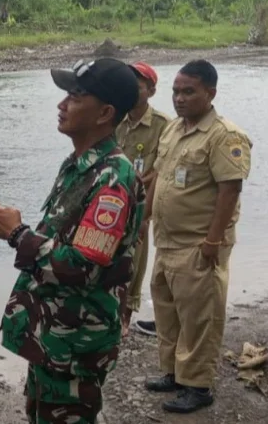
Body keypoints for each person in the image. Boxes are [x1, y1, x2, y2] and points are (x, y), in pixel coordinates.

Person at [0, 58, 145, 423]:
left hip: (76, 342)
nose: (62, 105)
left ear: (105, 113)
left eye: (75, 96)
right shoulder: (79, 165)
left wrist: (18, 234)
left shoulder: (112, 180)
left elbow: (83, 267)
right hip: (55, 334)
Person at [144, 59, 252, 414]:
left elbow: (229, 190)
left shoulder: (224, 135)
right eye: (176, 91)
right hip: (167, 241)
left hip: (198, 244)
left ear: (210, 93)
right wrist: (142, 217)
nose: (179, 98)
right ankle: (174, 373)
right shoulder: (173, 129)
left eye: (188, 91)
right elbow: (158, 176)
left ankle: (198, 386)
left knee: (199, 318)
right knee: (168, 311)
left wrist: (212, 242)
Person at [115, 61, 170, 337]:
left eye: (137, 87)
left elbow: (162, 169)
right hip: (113, 199)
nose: (130, 90)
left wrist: (144, 210)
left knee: (134, 260)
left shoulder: (163, 125)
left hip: (141, 204)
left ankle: (125, 317)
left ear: (151, 91)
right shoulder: (115, 118)